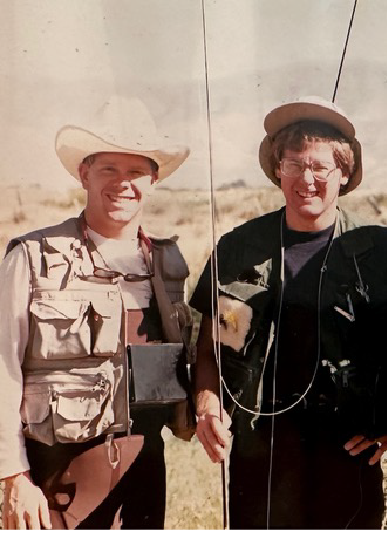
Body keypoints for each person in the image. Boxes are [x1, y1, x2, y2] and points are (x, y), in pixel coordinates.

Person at [191, 96, 387, 529]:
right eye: (293, 164)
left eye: (320, 167)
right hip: (257, 453)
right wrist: (208, 405)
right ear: (277, 171)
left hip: (351, 452)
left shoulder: (383, 249)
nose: (307, 179)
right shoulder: (238, 249)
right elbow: (209, 347)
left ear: (343, 173)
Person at [0, 96, 193, 530]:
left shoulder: (165, 264)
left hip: (143, 478)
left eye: (136, 171)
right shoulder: (32, 257)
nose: (123, 183)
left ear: (154, 179)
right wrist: (13, 476)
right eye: (109, 169)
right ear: (84, 173)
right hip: (57, 481)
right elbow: (2, 369)